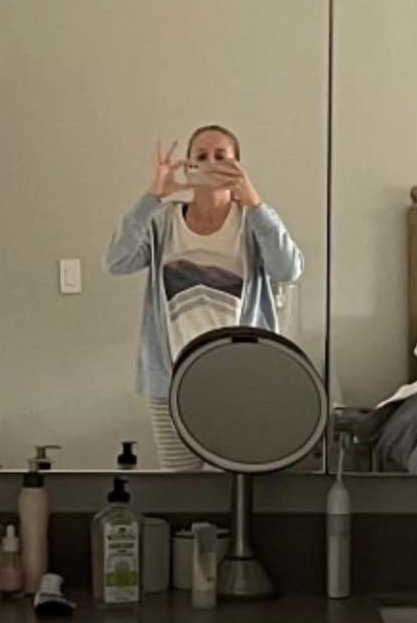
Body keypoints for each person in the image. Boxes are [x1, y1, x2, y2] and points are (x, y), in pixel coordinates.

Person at [105, 122, 305, 467]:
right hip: (172, 382)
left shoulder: (252, 223)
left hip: (240, 378)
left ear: (238, 165)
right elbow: (117, 261)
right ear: (188, 164)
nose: (211, 162)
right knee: (181, 492)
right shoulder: (163, 222)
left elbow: (289, 270)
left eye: (221, 156)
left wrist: (254, 201)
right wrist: (153, 196)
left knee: (231, 485)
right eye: (201, 156)